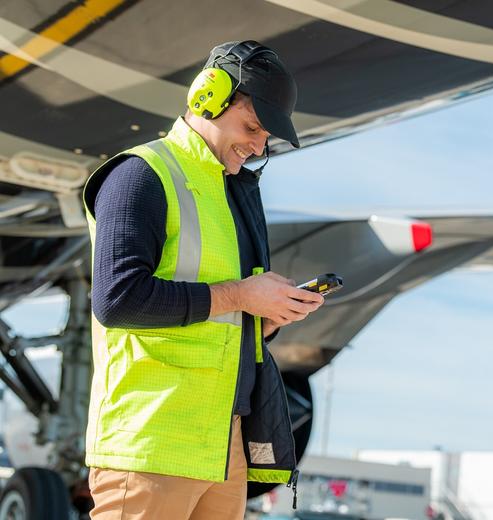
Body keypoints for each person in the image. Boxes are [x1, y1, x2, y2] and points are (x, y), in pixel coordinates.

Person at [81, 40, 324, 519]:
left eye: (266, 137)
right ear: (208, 98)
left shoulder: (232, 198)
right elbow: (117, 299)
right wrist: (241, 294)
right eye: (252, 127)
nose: (258, 146)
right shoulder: (141, 175)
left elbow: (221, 317)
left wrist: (267, 314)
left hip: (221, 445)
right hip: (153, 442)